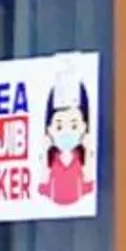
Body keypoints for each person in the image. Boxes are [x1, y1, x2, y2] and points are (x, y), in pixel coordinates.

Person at [40, 72, 96, 209]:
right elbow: (44, 179)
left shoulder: (80, 157)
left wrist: (88, 150)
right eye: (59, 126)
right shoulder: (52, 158)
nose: (66, 132)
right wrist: (43, 151)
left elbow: (88, 177)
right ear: (49, 129)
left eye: (74, 126)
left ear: (83, 127)